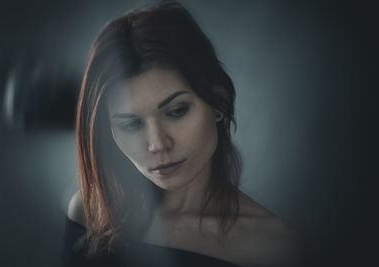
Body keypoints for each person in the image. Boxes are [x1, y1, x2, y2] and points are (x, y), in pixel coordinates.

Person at [64, 2, 305, 266]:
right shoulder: (89, 213)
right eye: (131, 125)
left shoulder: (273, 248)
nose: (158, 144)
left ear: (217, 102)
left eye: (177, 111)